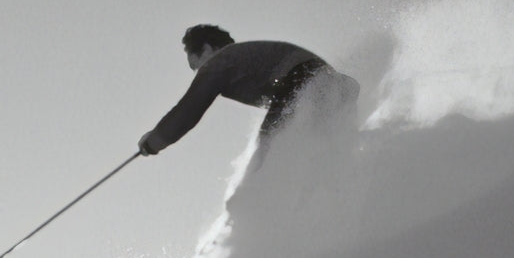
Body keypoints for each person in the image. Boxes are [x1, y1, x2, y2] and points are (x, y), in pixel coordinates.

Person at [138, 25, 359, 166]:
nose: (199, 74)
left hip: (301, 83)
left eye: (196, 66)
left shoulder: (222, 60)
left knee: (269, 154)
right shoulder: (244, 58)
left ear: (206, 49)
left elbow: (190, 109)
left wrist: (155, 140)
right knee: (318, 154)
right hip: (328, 86)